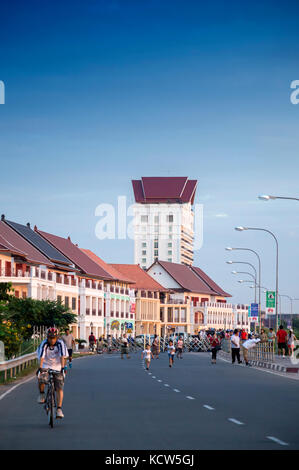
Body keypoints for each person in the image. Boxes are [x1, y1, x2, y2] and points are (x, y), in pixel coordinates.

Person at [36, 327, 68, 419]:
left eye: (54, 338)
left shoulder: (60, 343)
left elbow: (62, 356)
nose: (52, 340)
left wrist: (62, 368)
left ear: (57, 337)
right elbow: (41, 356)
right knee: (41, 379)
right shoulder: (44, 343)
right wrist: (40, 368)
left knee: (59, 388)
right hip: (45, 365)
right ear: (47, 337)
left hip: (58, 366)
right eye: (50, 338)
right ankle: (42, 393)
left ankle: (59, 409)